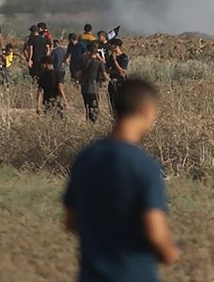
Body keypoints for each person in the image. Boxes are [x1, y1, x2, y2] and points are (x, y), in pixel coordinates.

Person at [64, 78, 179, 280]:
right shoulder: (145, 166)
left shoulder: (86, 157)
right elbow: (155, 232)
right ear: (147, 110)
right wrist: (170, 252)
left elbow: (71, 222)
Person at [79, 47, 108, 123]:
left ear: (89, 52)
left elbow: (78, 74)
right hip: (94, 88)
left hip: (84, 88)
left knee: (87, 107)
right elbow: (105, 76)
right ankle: (93, 123)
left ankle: (88, 121)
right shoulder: (99, 63)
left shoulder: (84, 62)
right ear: (96, 53)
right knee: (94, 108)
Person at [106, 40, 130, 118]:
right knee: (112, 103)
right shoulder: (110, 57)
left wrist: (115, 60)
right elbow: (106, 70)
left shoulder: (124, 58)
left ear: (116, 46)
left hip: (121, 83)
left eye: (111, 45)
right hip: (112, 82)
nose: (110, 47)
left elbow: (121, 72)